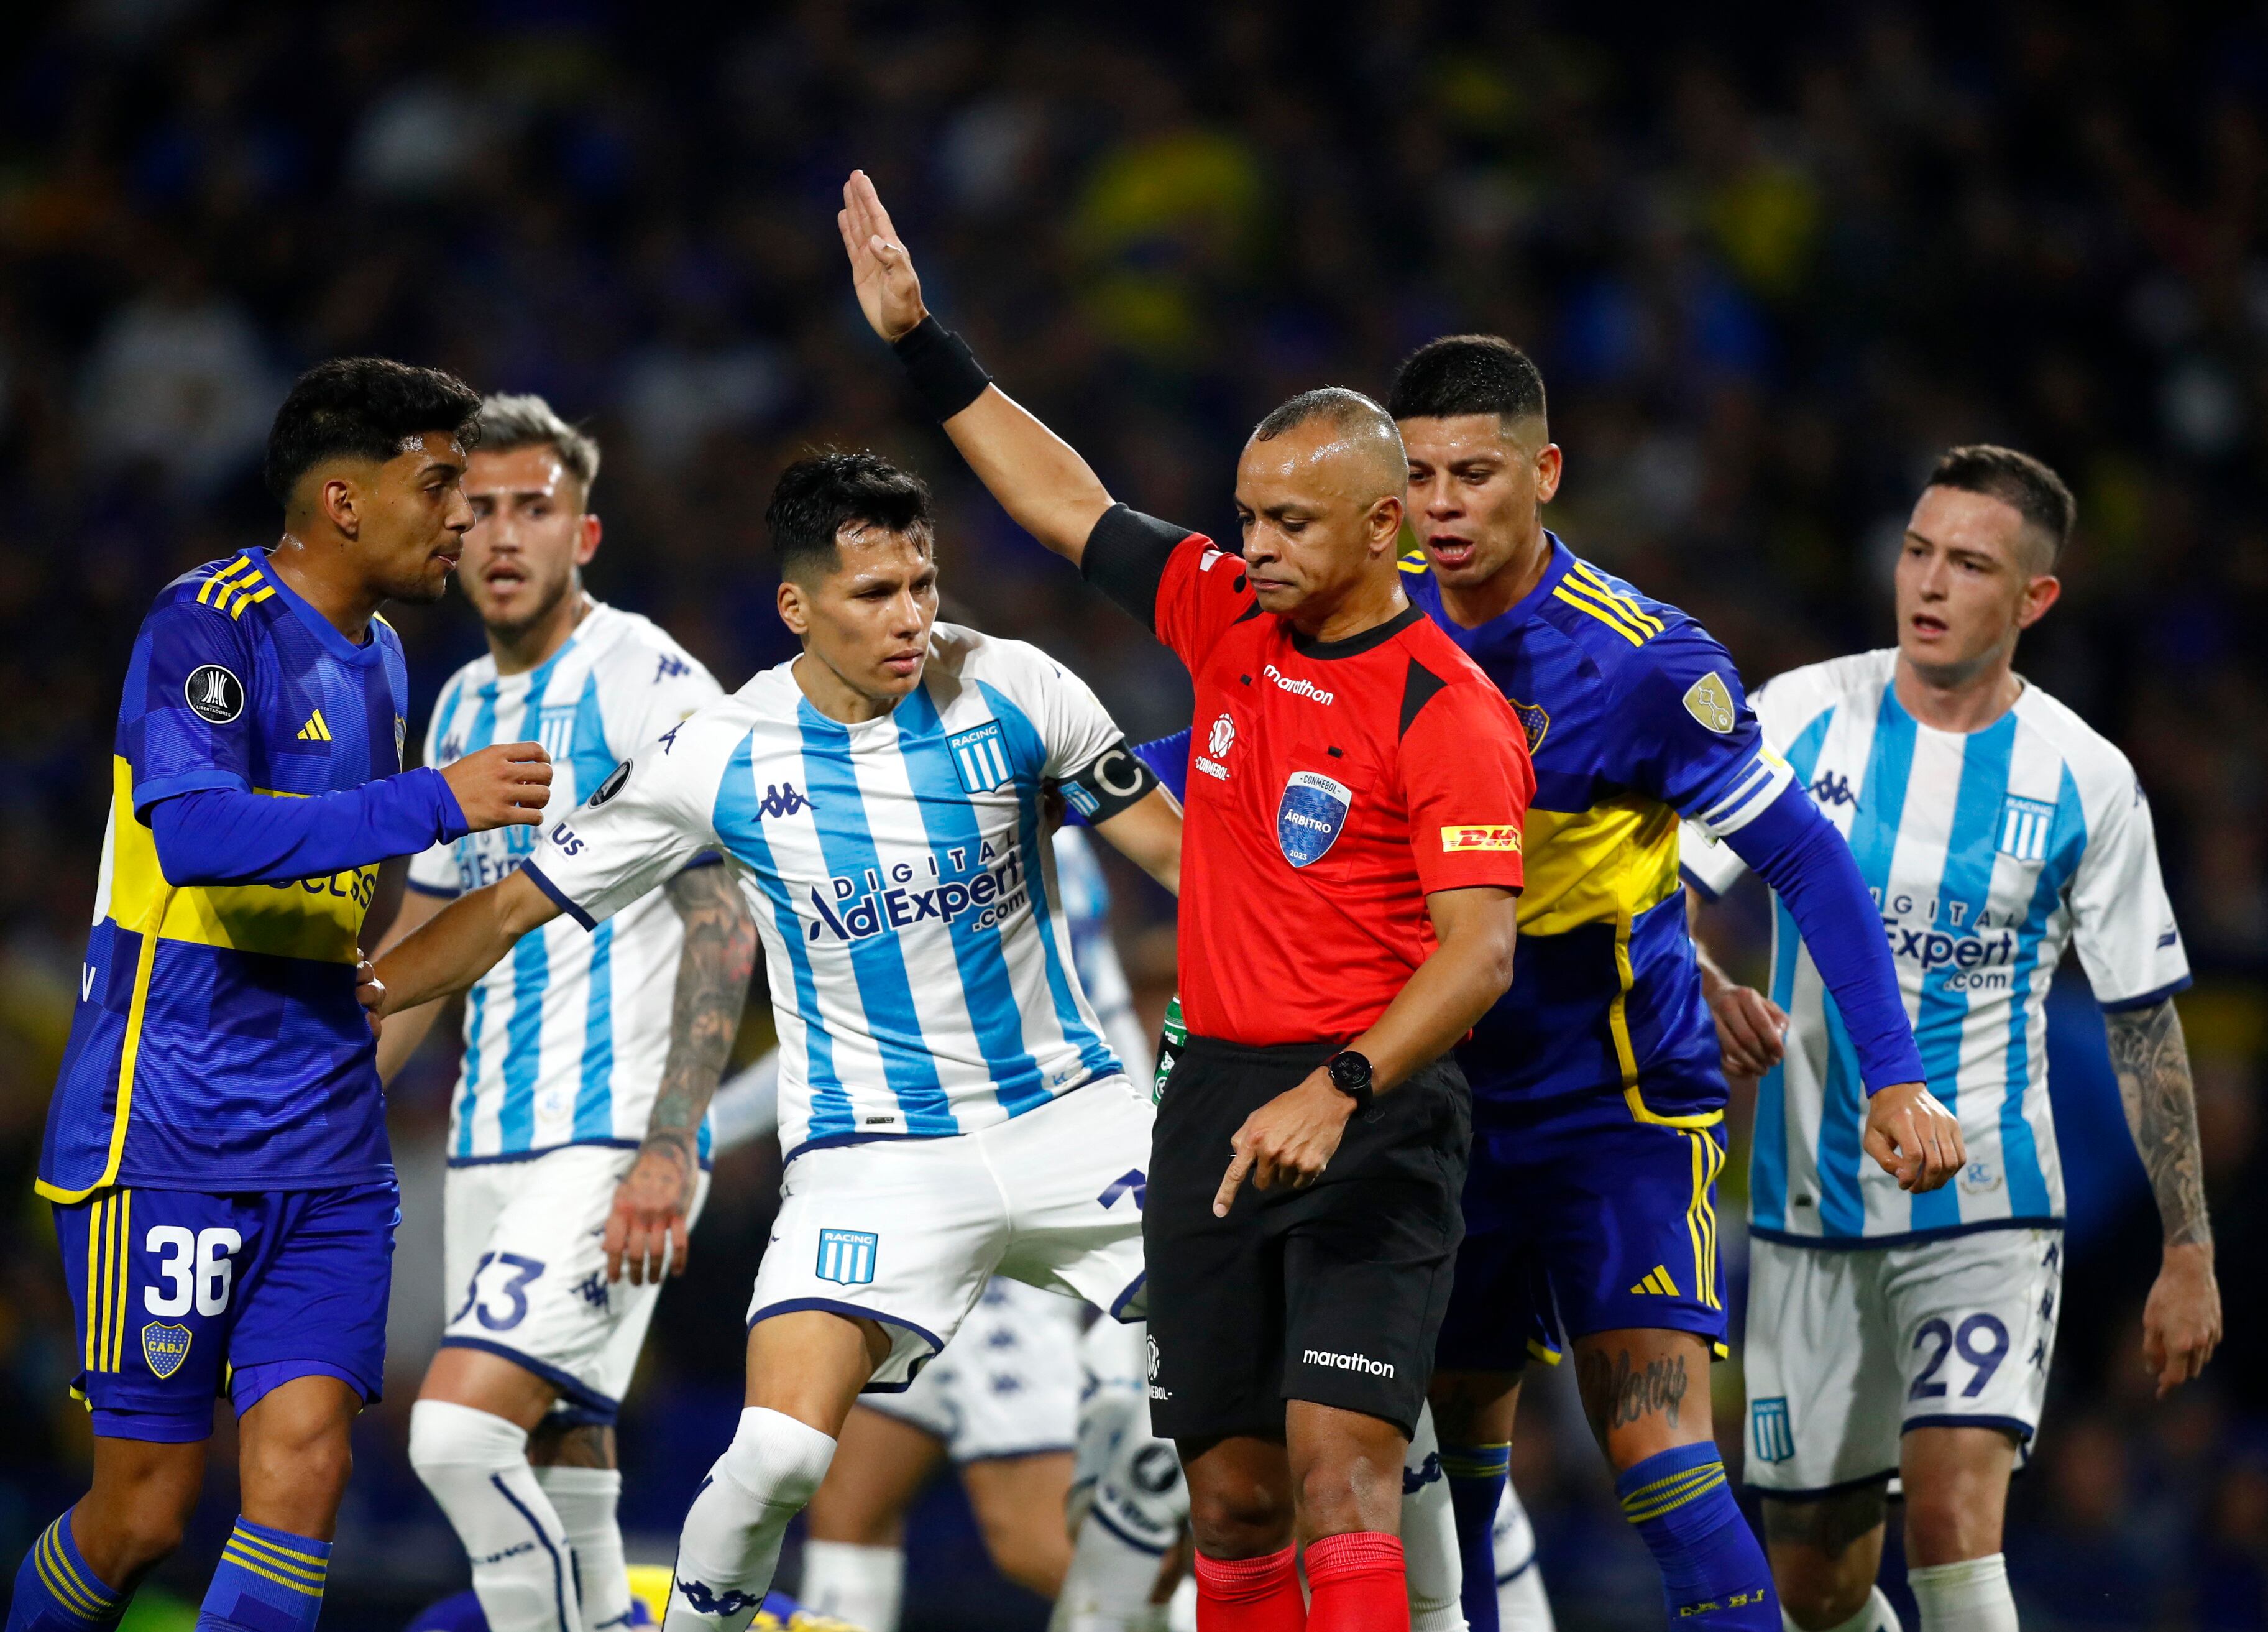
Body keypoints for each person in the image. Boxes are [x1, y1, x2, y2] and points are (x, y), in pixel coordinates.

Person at [841, 170, 1533, 1632]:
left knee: (1343, 1472)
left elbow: (1478, 956)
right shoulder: (1227, 610)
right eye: (1244, 516)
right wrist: (922, 345)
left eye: (1288, 522)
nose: (1254, 545)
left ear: (1383, 531)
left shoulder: (1449, 709)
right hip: (1212, 1097)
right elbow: (1066, 504)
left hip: (1376, 1110)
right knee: (1226, 1495)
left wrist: (1342, 1086)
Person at [362, 448, 1183, 1632]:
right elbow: (503, 907)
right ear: (798, 605)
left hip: (1074, 1118)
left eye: (923, 584)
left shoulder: (1015, 688)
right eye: (874, 594)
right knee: (781, 1466)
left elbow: (1186, 864)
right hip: (875, 1154)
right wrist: (372, 991)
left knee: (1262, 1411)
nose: (911, 619)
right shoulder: (723, 753)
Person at [1381, 334, 1958, 1632]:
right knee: (1455, 1455)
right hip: (1441, 1102)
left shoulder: (1642, 664)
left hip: (1613, 1105)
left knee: (1657, 1451)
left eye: (1475, 473)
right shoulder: (1375, 621)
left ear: (1545, 472)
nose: (1442, 506)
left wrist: (1896, 1078)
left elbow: (1806, 860)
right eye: (1417, 477)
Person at [7, 359, 555, 1632]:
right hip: (170, 1116)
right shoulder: (206, 621)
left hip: (324, 1133)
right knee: (143, 1509)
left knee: (307, 1466)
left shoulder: (385, 661)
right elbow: (194, 831)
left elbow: (349, 902)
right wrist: (438, 799)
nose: (464, 521)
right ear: (345, 502)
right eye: (440, 487)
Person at [1681, 446, 2222, 1632]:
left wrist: (2188, 1245)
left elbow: (2141, 1019)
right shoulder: (1799, 714)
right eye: (1917, 550)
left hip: (1989, 1198)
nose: (1926, 583)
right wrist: (1710, 975)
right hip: (1805, 1206)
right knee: (1817, 1586)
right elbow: (1660, 891)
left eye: (1968, 564)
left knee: (1947, 1519)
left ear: (2032, 600)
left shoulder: (2087, 778)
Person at [371, 394, 756, 1632]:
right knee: (560, 1441)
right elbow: (418, 952)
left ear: (582, 533)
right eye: (473, 508)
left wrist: (666, 1141)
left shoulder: (647, 681)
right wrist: (315, 1114)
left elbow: (720, 917)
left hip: (610, 1132)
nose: (498, 534)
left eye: (530, 508)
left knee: (455, 1430)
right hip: (489, 1138)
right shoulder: (460, 710)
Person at [704, 827, 1156, 1632]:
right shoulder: (1005, 829)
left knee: (1029, 1532)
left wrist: (693, 1133)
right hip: (921, 1202)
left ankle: (1207, 1613)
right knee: (847, 1493)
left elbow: (878, 1032)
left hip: (1003, 1211)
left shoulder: (972, 831)